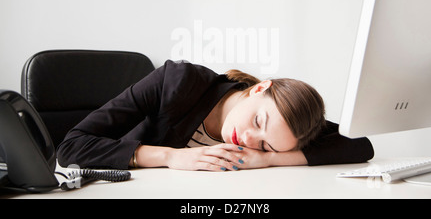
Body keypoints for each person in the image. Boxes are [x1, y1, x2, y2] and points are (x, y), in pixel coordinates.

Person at [57, 60, 374, 171]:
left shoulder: (282, 134)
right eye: (258, 123)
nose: (249, 140)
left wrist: (270, 159)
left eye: (264, 145)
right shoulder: (177, 81)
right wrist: (170, 157)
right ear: (258, 88)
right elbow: (72, 147)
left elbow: (360, 145)